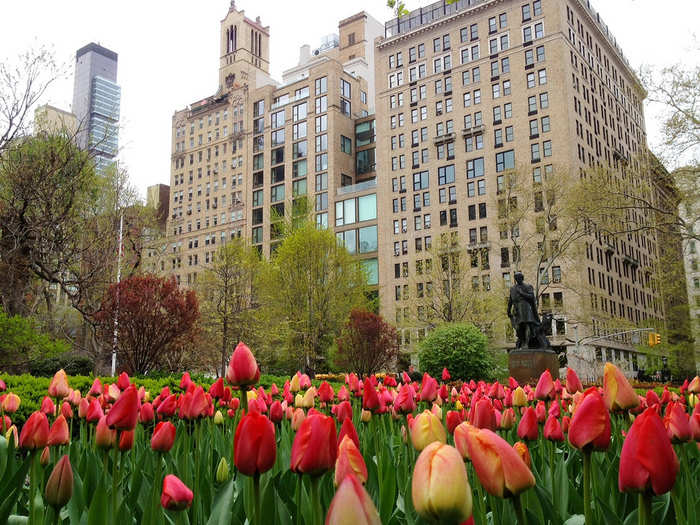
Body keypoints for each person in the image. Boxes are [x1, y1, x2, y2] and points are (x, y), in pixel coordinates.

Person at [507, 272, 547, 349]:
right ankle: (523, 340)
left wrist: (522, 293)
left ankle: (526, 343)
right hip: (516, 309)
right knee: (518, 327)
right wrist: (508, 310)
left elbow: (532, 297)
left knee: (526, 325)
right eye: (516, 278)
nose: (517, 279)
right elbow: (510, 300)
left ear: (522, 278)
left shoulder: (528, 286)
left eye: (519, 278)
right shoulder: (512, 289)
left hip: (525, 308)